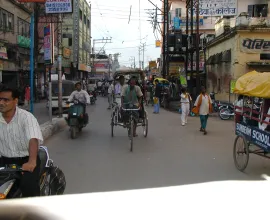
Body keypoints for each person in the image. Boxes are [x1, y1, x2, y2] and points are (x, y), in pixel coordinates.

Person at [0, 87, 43, 197]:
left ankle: (34, 212)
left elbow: (33, 139)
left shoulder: (26, 117)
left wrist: (31, 161)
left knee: (28, 187)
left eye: (6, 100)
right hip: (5, 160)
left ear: (15, 101)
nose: (1, 103)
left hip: (26, 160)